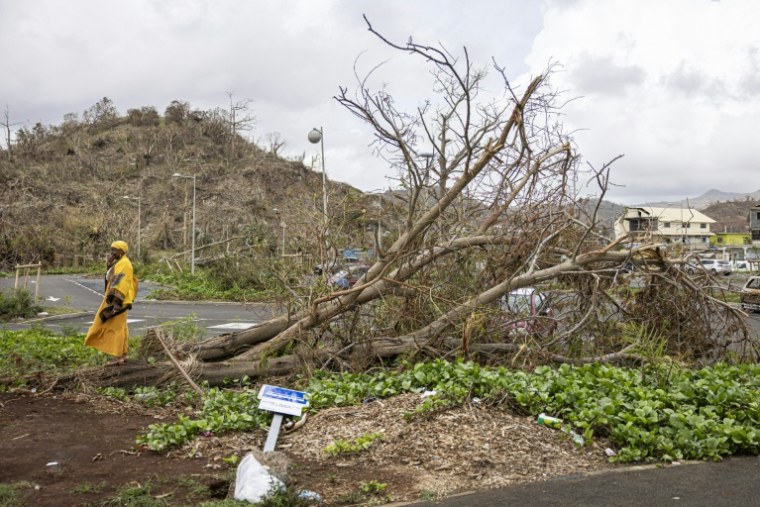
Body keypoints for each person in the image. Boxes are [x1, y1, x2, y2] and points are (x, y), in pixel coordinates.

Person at [84, 240, 138, 366]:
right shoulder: (119, 262)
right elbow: (110, 278)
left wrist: (116, 301)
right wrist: (109, 265)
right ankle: (123, 354)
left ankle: (117, 356)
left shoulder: (125, 263)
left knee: (115, 327)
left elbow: (122, 283)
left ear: (122, 251)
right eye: (111, 249)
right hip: (117, 299)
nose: (111, 252)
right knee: (121, 326)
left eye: (114, 250)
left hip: (118, 300)